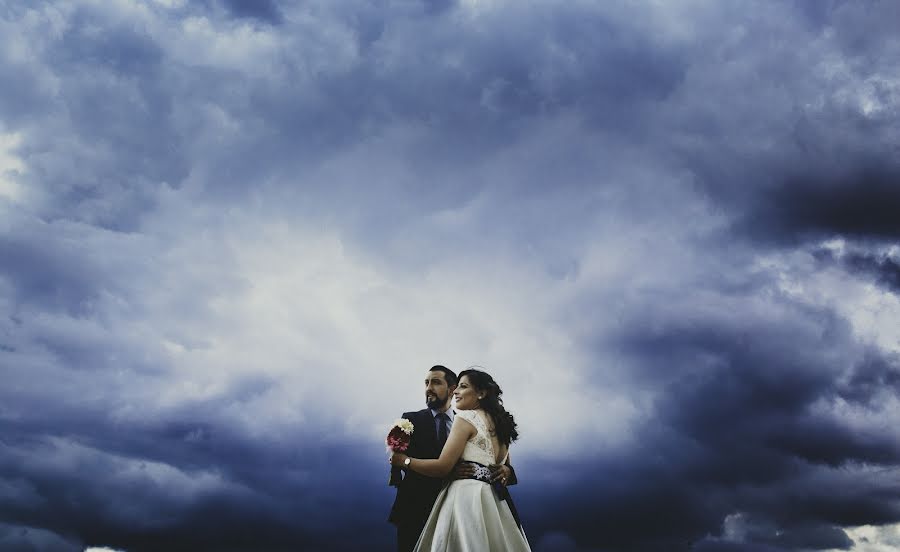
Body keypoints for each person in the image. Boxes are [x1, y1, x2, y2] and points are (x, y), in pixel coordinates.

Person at [390, 368, 531, 551]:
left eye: (462, 387)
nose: (429, 388)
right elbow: (500, 463)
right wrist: (503, 469)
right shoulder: (501, 426)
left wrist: (404, 461)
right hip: (481, 505)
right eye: (426, 383)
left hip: (465, 501)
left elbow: (443, 466)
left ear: (480, 393)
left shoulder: (465, 418)